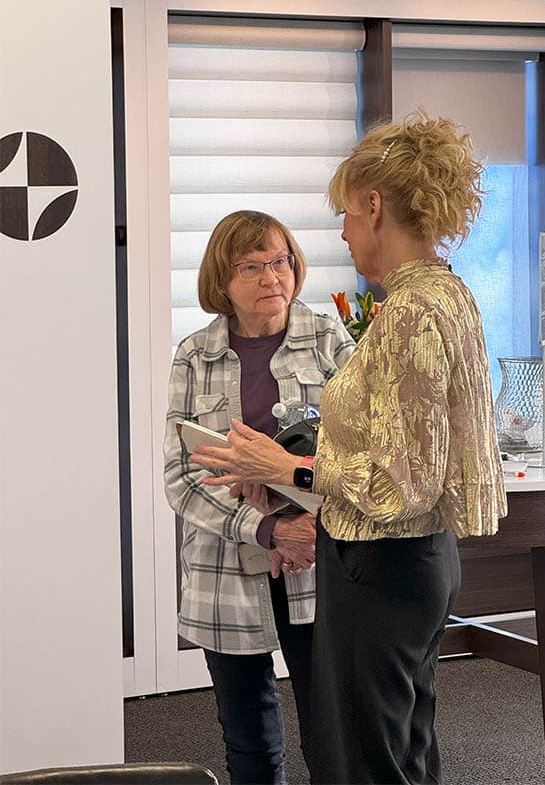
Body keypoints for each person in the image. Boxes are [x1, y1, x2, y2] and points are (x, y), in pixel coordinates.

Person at [191, 112, 508, 785]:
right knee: (402, 754)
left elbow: (401, 483)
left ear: (374, 205)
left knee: (363, 763)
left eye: (344, 215)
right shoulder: (446, 293)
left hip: (382, 567)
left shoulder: (409, 314)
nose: (341, 234)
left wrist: (286, 467)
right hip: (415, 562)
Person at [163, 209, 355, 785]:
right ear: (222, 280)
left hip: (315, 557)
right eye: (251, 266)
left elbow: (364, 450)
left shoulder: (328, 339)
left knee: (332, 731)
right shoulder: (194, 355)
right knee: (248, 737)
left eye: (280, 261)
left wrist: (303, 523)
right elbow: (181, 476)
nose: (272, 277)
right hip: (225, 563)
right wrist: (269, 529)